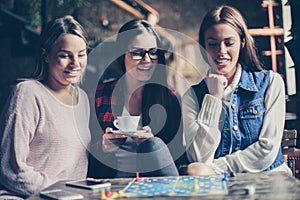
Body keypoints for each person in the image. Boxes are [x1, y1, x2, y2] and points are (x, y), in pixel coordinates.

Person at [182, 5, 292, 175]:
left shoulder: (271, 82)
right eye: (212, 44)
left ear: (242, 42)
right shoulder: (192, 95)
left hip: (268, 178)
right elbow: (198, 158)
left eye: (229, 43)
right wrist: (213, 98)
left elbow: (267, 150)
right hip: (218, 185)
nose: (221, 51)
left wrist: (214, 168)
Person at [0, 15, 91, 199]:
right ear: (46, 55)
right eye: (65, 55)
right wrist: (63, 193)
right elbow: (10, 170)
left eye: (81, 54)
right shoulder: (27, 93)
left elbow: (69, 156)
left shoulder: (82, 99)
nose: (75, 63)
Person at [90, 19, 187, 178]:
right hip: (112, 184)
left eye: (153, 52)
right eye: (137, 52)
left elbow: (178, 157)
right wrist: (103, 146)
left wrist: (154, 146)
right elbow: (86, 153)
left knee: (153, 144)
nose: (147, 60)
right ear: (121, 54)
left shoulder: (170, 98)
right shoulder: (101, 95)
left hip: (155, 184)